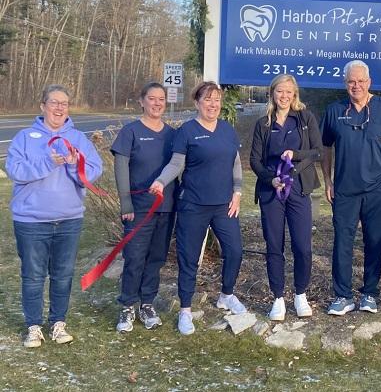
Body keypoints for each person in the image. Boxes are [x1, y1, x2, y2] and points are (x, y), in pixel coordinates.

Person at [6, 84, 103, 347]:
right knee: (33, 275)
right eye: (54, 102)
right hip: (31, 221)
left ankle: (58, 323)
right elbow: (15, 170)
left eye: (64, 103)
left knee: (62, 275)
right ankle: (33, 326)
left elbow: (94, 170)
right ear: (43, 106)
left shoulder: (78, 138)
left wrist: (74, 164)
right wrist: (49, 162)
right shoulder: (25, 137)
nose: (59, 107)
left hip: (69, 220)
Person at [150, 81, 246, 335]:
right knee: (189, 258)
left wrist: (237, 193)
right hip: (193, 205)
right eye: (207, 100)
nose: (213, 105)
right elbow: (176, 164)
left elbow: (236, 164)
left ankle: (226, 295)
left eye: (217, 100)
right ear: (197, 103)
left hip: (224, 205)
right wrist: (160, 181)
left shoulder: (227, 130)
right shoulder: (187, 131)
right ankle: (185, 310)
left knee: (235, 251)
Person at [320, 60, 381, 315]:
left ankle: (370, 293)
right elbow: (325, 146)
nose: (356, 85)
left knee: (375, 242)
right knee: (342, 242)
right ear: (345, 83)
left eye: (361, 81)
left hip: (380, 189)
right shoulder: (334, 111)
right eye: (351, 81)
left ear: (369, 82)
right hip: (345, 190)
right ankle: (343, 296)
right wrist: (328, 180)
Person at [250, 75, 322, 321]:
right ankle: (278, 298)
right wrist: (270, 179)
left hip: (299, 189)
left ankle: (300, 294)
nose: (284, 96)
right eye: (280, 91)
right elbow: (255, 160)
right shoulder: (263, 123)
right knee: (274, 245)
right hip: (271, 191)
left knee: (302, 246)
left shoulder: (305, 118)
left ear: (294, 94)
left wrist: (296, 154)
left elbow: (317, 152)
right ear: (272, 93)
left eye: (288, 92)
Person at [111, 82, 177, 333]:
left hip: (166, 207)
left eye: (161, 99)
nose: (157, 103)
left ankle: (147, 303)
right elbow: (121, 169)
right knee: (135, 257)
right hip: (138, 208)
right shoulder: (130, 132)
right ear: (141, 101)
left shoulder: (172, 135)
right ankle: (128, 305)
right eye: (152, 98)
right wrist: (125, 203)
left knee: (156, 258)